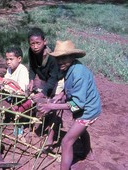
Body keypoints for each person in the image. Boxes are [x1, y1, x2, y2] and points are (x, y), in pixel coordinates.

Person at [37, 40, 101, 170]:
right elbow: (69, 87)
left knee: (66, 142)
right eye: (58, 58)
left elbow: (77, 104)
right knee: (81, 130)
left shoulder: (78, 72)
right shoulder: (68, 67)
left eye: (64, 58)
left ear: (72, 57)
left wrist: (51, 106)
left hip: (88, 109)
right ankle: (89, 153)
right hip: (84, 106)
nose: (60, 61)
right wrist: (61, 95)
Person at [27, 27, 60, 99]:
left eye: (38, 43)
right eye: (32, 44)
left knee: (54, 100)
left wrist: (43, 93)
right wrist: (31, 80)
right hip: (45, 80)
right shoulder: (31, 51)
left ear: (44, 41)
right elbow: (32, 66)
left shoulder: (52, 55)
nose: (35, 47)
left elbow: (54, 77)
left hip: (57, 80)